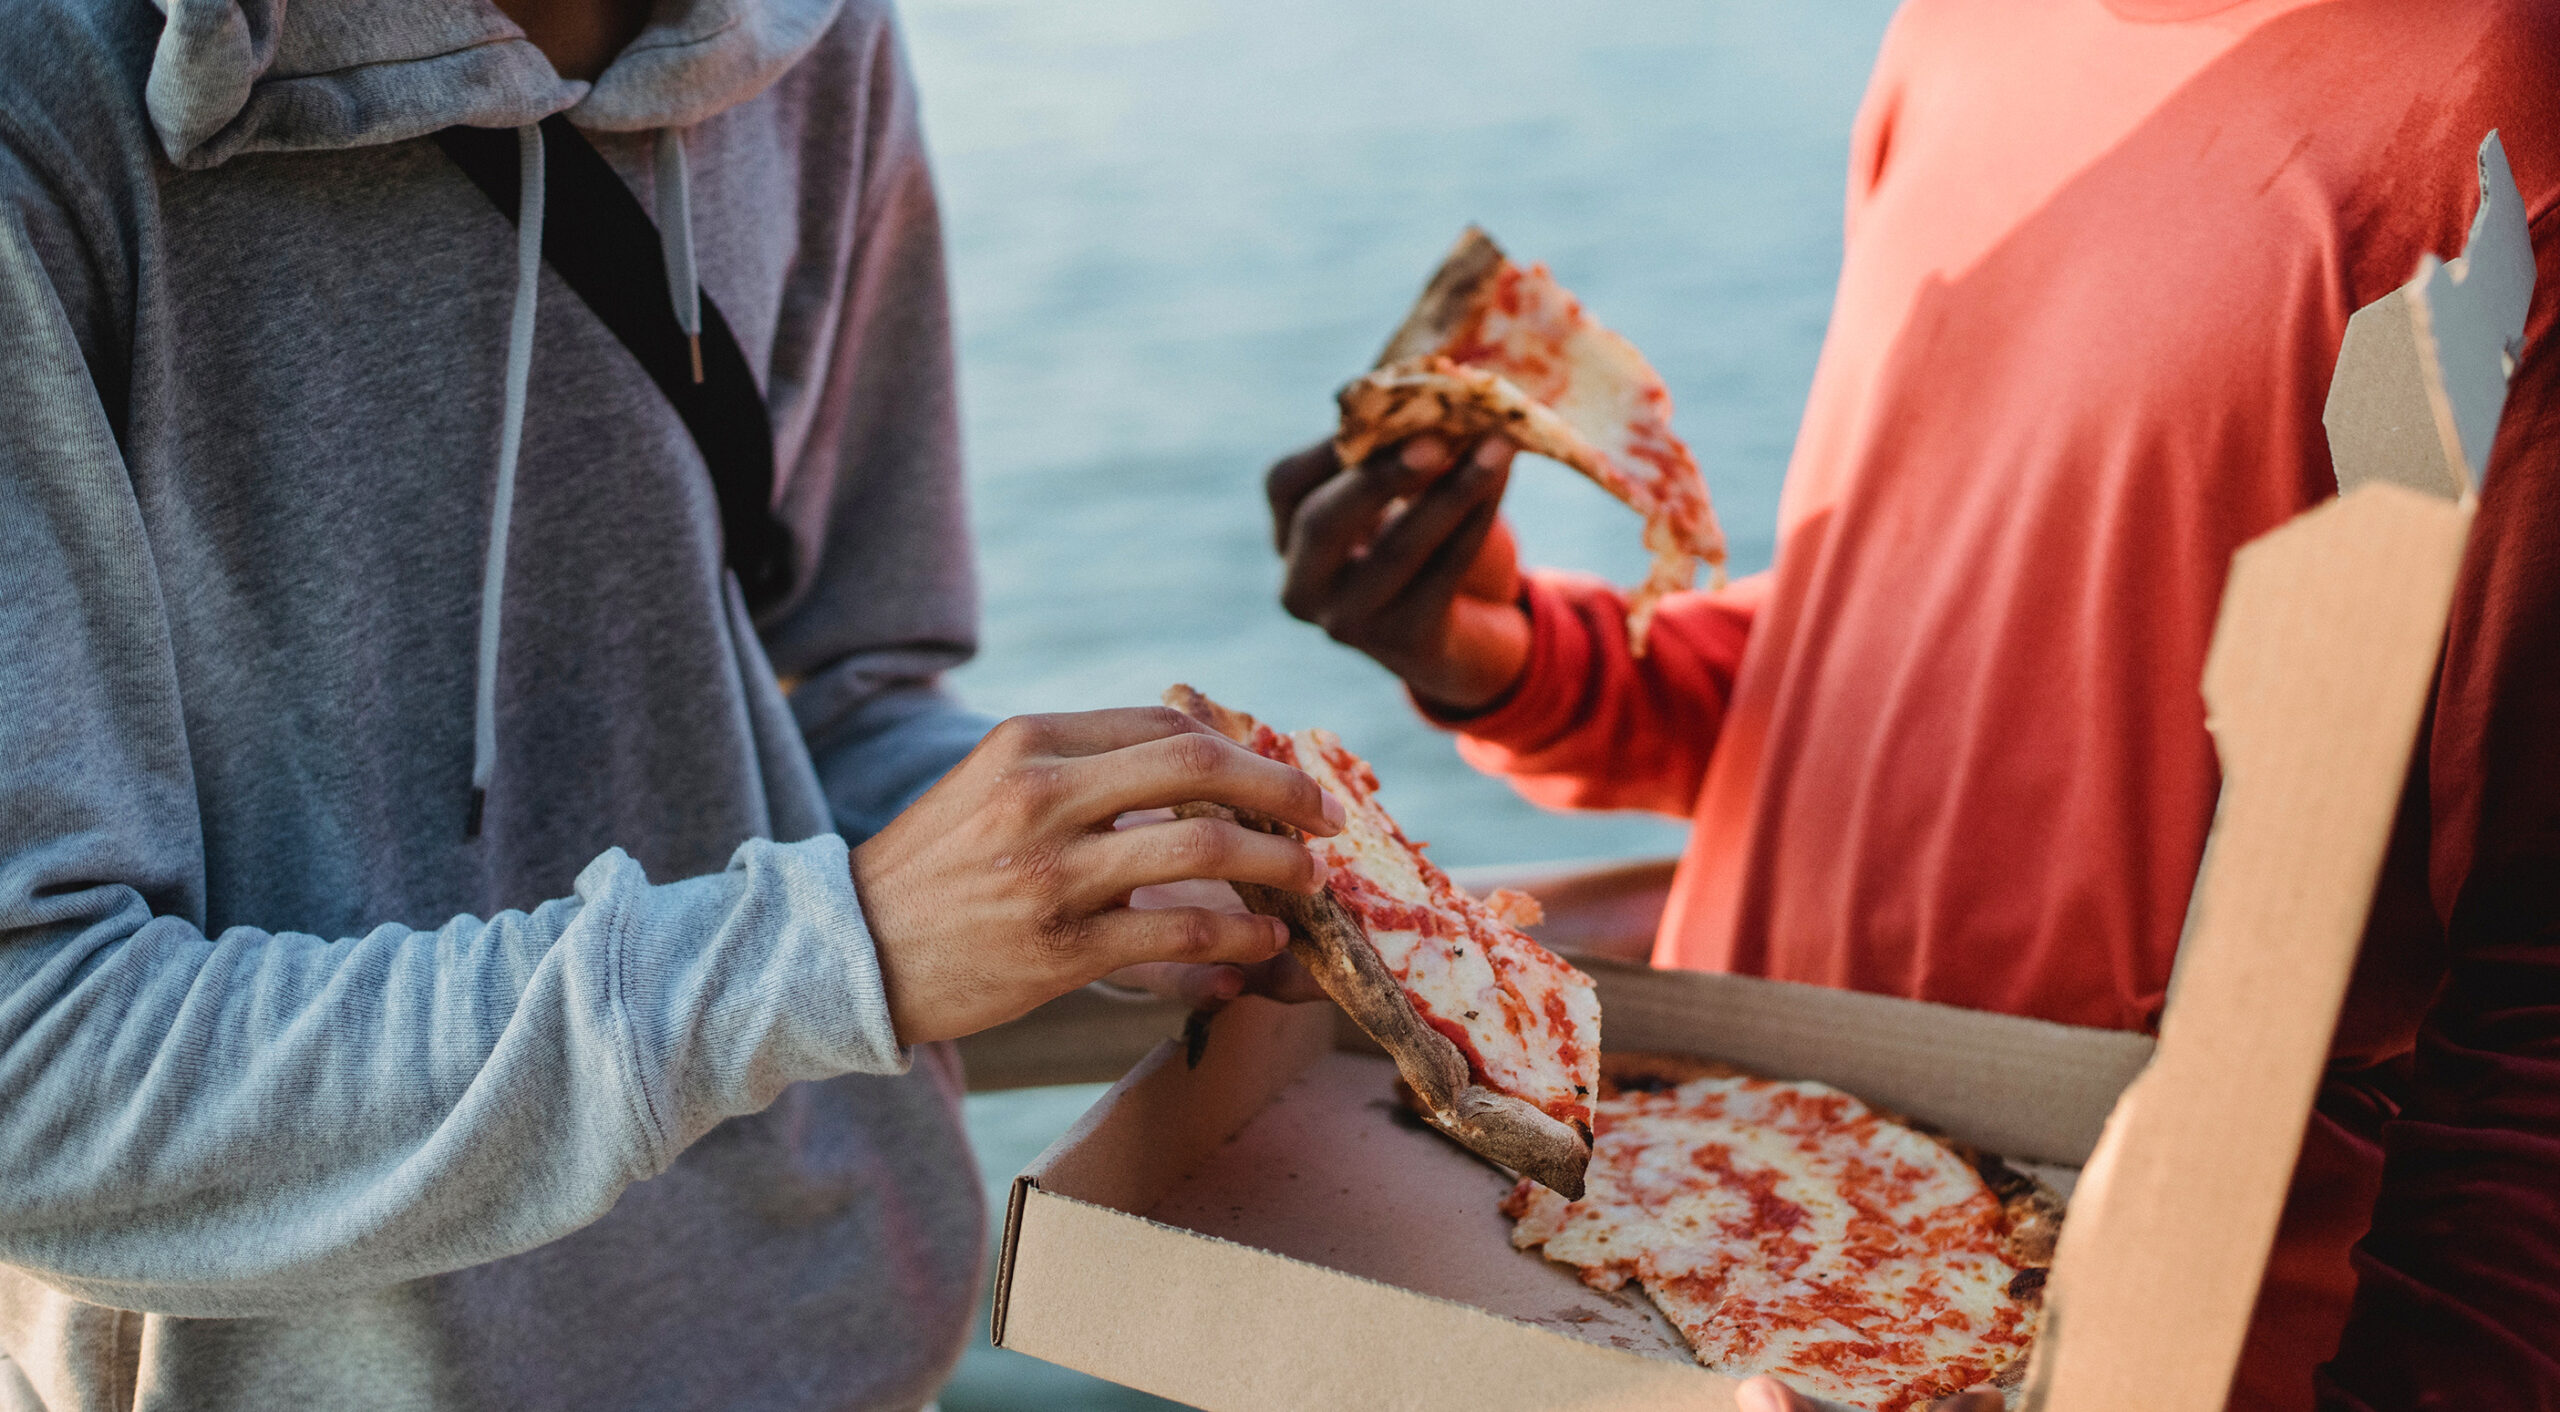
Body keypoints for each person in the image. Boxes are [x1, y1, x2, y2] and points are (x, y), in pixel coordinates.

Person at [0, 0, 1344, 1407]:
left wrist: (1113, 875)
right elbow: (33, 1081)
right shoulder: (49, 94)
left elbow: (827, 695)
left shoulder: (813, 43)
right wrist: (841, 949)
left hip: (840, 1348)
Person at [1270, 0, 2560, 1406]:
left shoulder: (2514, 87)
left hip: (2160, 1337)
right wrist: (1517, 657)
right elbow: (1913, 634)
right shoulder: (1958, 29)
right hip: (1691, 1251)